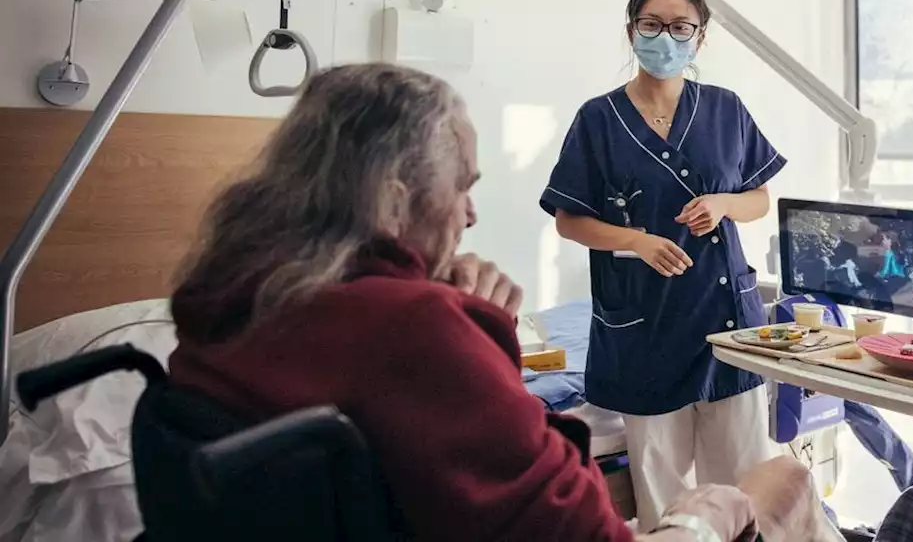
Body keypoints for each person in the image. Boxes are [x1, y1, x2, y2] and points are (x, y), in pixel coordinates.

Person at [165, 63, 848, 541]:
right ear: (396, 193)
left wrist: (449, 316)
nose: (469, 216)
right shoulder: (418, 326)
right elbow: (577, 522)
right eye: (461, 187)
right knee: (780, 481)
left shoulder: (228, 305)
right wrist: (474, 330)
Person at [540, 0, 785, 531]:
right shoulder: (598, 119)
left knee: (742, 492)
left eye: (681, 26)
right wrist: (637, 241)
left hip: (726, 320)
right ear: (632, 32)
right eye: (652, 24)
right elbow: (569, 221)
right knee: (661, 496)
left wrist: (724, 203)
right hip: (643, 328)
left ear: (699, 37)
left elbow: (759, 199)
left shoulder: (725, 109)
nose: (666, 37)